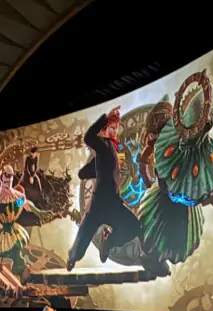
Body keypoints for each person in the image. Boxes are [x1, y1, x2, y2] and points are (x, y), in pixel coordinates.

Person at [68, 106, 169, 276]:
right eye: (111, 129)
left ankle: (109, 241)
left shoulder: (113, 149)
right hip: (100, 204)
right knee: (84, 237)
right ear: (104, 131)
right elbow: (88, 138)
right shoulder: (103, 146)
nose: (114, 132)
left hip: (112, 203)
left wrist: (98, 170)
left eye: (115, 129)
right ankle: (74, 257)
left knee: (133, 227)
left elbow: (84, 173)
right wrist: (104, 119)